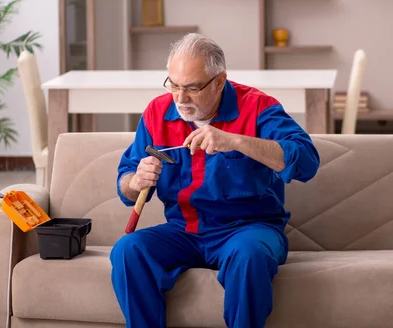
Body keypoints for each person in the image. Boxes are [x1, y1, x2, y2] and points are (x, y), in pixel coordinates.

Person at [110, 33, 320, 328]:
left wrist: (236, 141)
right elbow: (125, 186)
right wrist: (135, 181)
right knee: (128, 250)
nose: (181, 98)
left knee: (249, 255)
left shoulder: (258, 106)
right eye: (174, 86)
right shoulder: (157, 112)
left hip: (249, 230)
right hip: (183, 232)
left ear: (219, 81)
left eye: (193, 88)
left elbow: (307, 161)